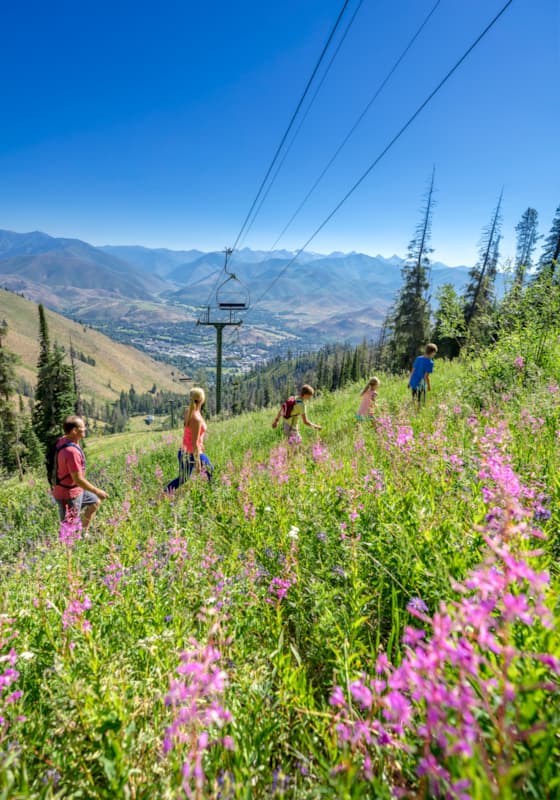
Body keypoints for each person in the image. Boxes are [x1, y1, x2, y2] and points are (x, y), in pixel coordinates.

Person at [52, 415, 108, 528]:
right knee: (68, 529)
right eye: (82, 427)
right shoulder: (71, 452)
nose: (85, 429)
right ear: (74, 431)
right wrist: (97, 491)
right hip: (69, 495)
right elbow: (78, 479)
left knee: (95, 502)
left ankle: (83, 533)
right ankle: (72, 538)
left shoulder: (64, 440)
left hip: (76, 489)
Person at [182, 386, 213, 481]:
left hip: (186, 451)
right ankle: (165, 490)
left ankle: (165, 490)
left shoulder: (190, 411)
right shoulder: (196, 418)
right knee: (210, 471)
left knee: (183, 478)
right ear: (202, 400)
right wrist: (197, 462)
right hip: (191, 453)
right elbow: (194, 442)